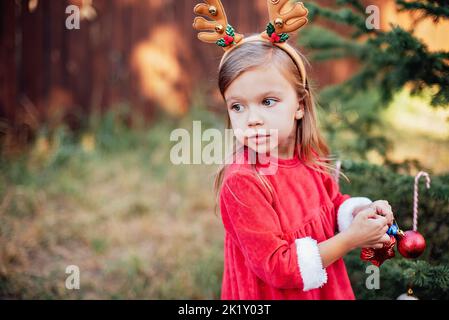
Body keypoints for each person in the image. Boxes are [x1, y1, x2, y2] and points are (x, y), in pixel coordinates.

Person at [193, 0, 394, 299]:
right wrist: (352, 239)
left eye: (268, 101)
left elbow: (332, 204)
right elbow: (278, 266)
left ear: (299, 105)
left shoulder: (308, 157)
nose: (253, 119)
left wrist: (360, 213)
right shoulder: (244, 182)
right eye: (237, 106)